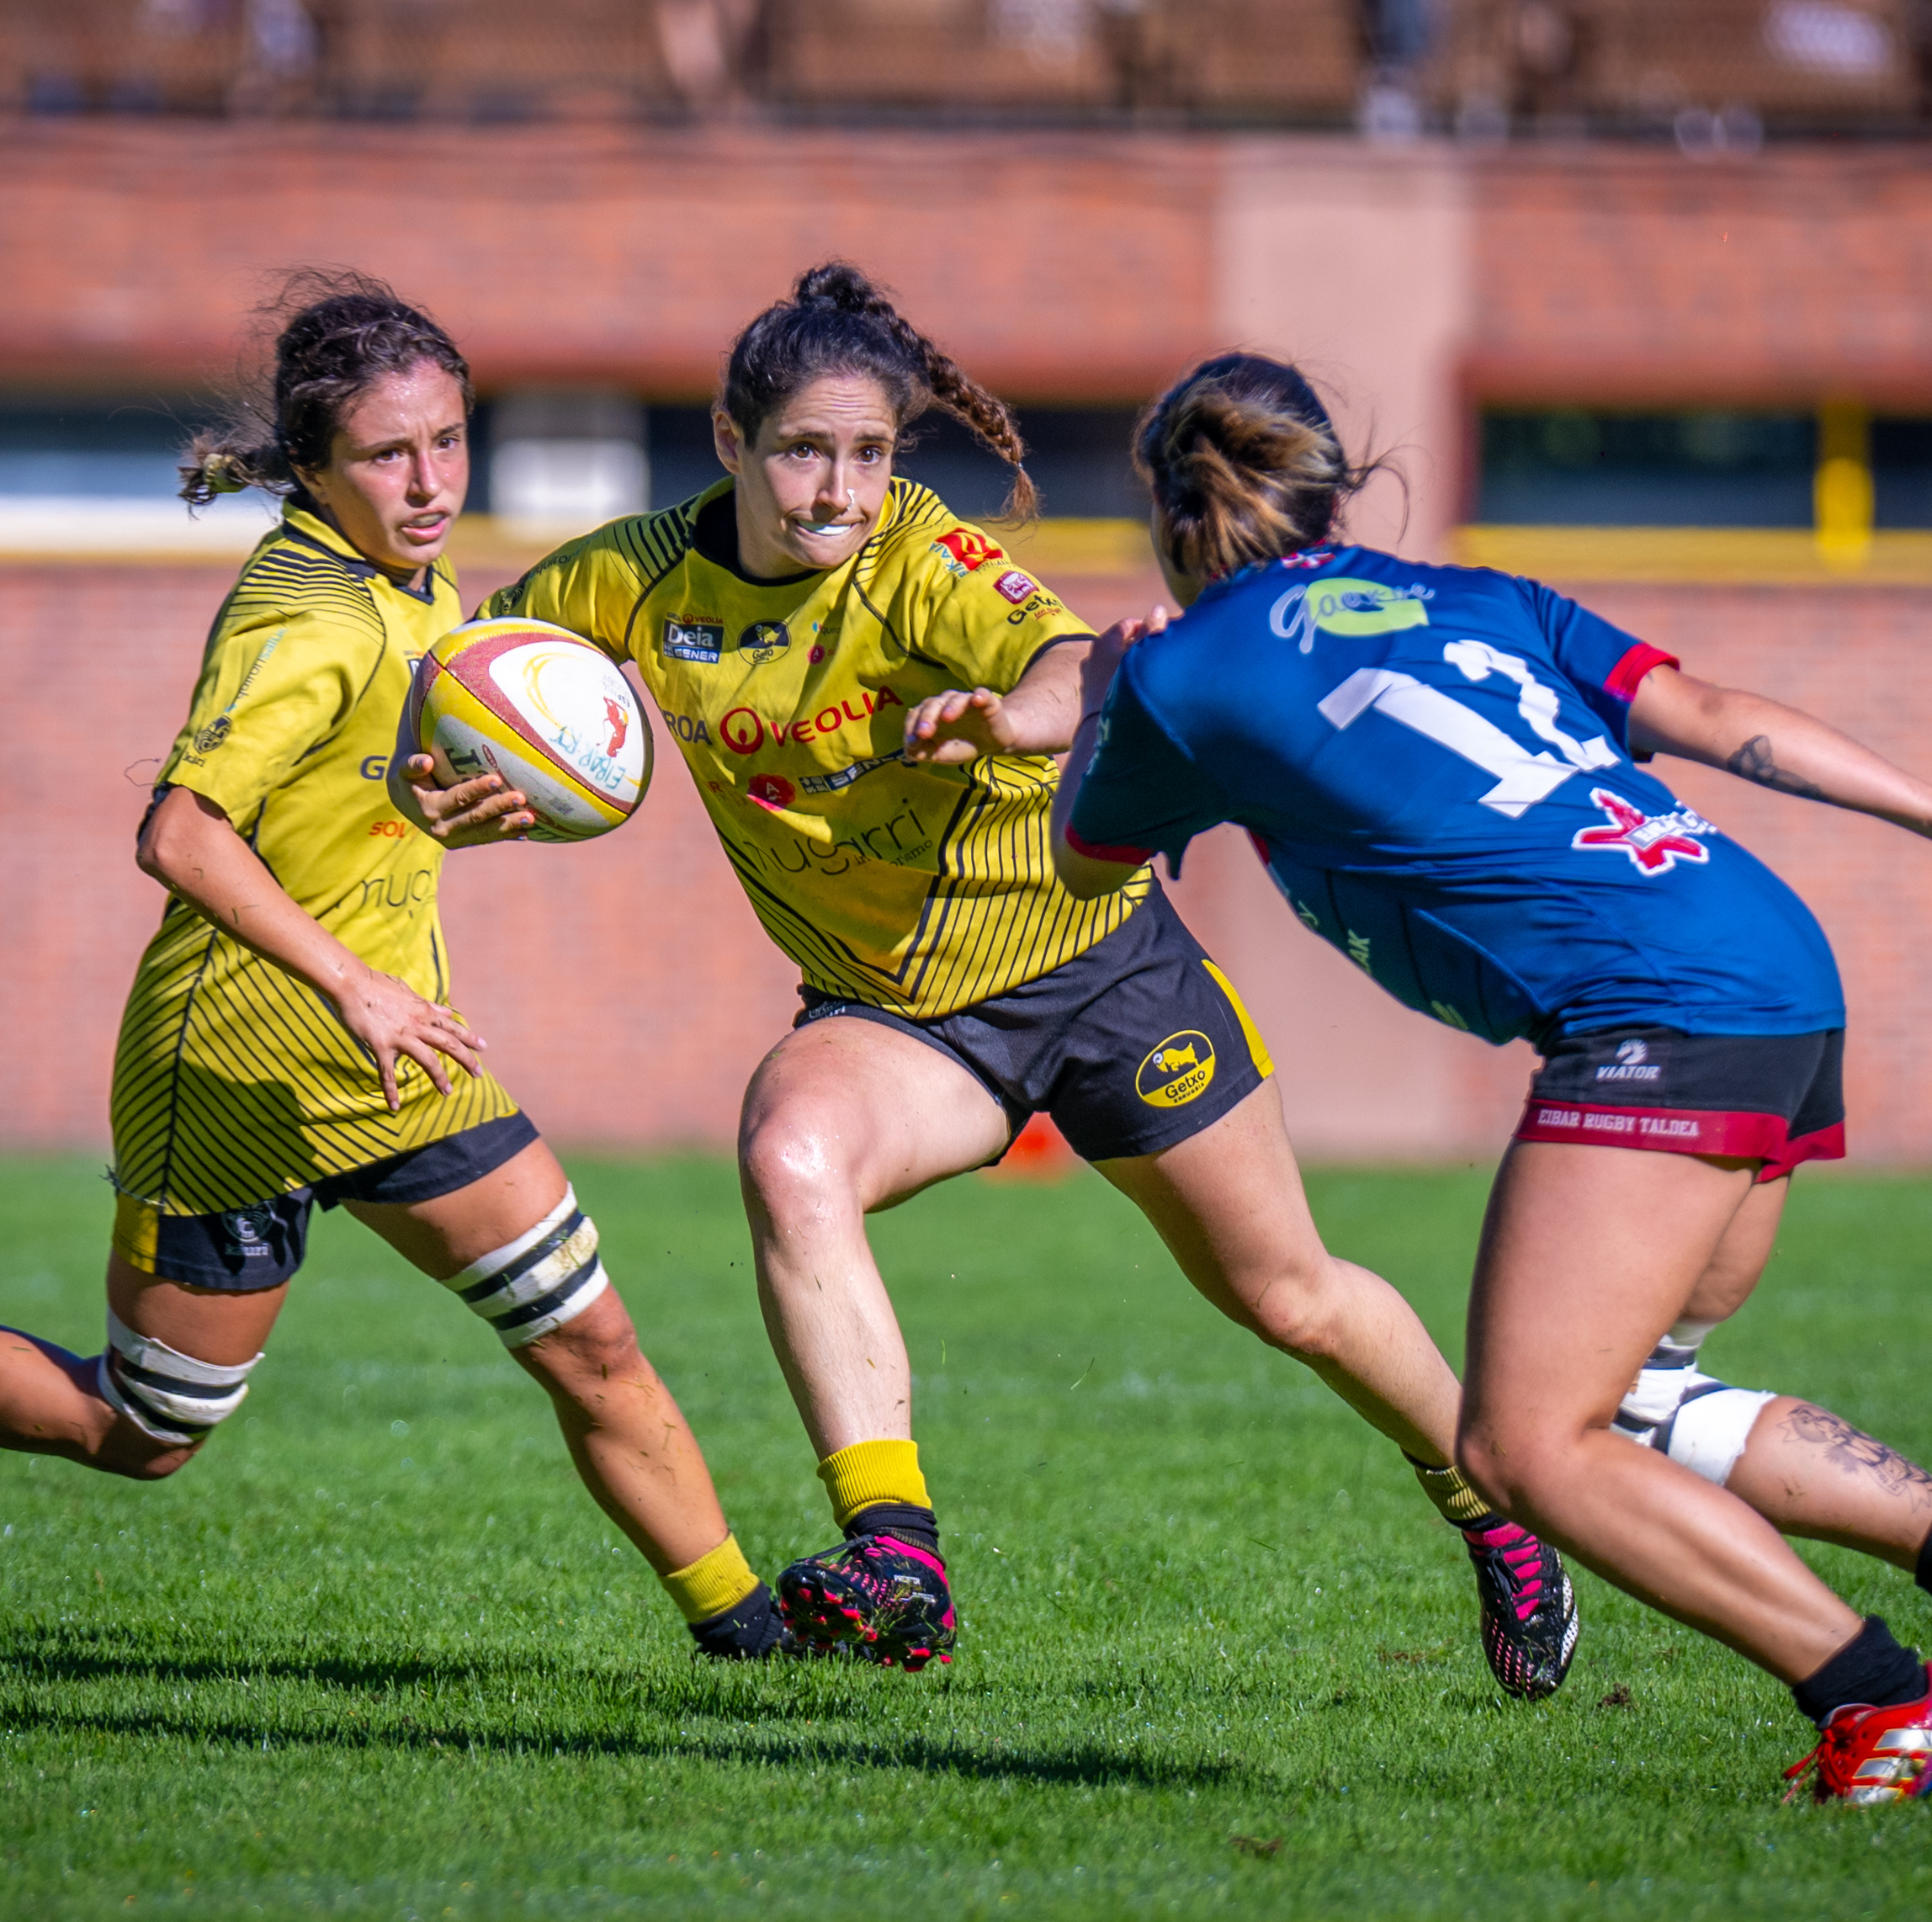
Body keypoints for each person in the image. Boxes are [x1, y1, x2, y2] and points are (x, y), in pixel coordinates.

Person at [402, 263, 1580, 1689]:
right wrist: (441, 775)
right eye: (800, 451)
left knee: (1289, 1296)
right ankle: (897, 1552)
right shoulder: (631, 579)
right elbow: (477, 675)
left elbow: (1073, 660)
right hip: (900, 1014)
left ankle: (1497, 1514)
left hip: (1093, 960)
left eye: (868, 454)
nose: (836, 490)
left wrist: (1012, 721)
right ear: (728, 442)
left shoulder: (921, 557)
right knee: (791, 1150)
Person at [0, 277, 795, 1661]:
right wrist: (353, 980)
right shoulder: (306, 619)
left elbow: (334, 809)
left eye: (449, 440)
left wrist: (423, 825)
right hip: (239, 1068)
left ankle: (754, 1639)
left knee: (589, 1342)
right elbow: (180, 833)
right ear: (312, 468)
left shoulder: (409, 588)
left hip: (404, 1064)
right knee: (142, 1431)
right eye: (387, 454)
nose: (430, 482)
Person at [1049, 351, 1932, 1802]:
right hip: (1773, 963)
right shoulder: (1483, 597)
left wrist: (1111, 687)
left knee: (1522, 1446)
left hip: (1653, 1015)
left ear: (1170, 522)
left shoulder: (1181, 671)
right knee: (1634, 1403)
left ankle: (1885, 1704)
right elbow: (1709, 707)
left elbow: (1081, 858)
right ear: (1338, 490)